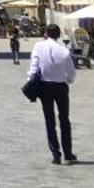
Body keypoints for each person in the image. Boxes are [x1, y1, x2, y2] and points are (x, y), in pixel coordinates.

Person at [28, 23, 78, 164]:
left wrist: (31, 81)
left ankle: (56, 154)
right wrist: (68, 80)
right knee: (64, 119)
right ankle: (68, 154)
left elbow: (34, 66)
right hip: (61, 86)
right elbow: (71, 73)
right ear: (59, 35)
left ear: (46, 34)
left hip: (45, 86)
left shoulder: (38, 46)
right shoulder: (64, 51)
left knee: (49, 120)